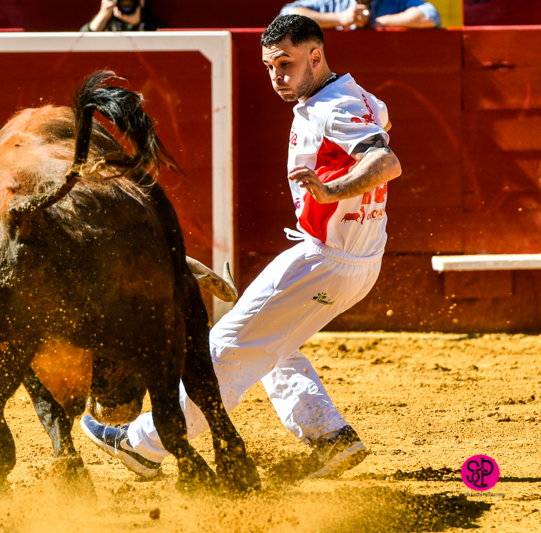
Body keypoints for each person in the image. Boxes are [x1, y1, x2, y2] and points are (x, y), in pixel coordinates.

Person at [81, 13, 402, 480]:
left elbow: (384, 159)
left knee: (227, 346)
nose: (277, 77)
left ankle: (144, 444)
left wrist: (333, 191)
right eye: (270, 66)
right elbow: (378, 122)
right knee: (274, 344)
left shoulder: (336, 107)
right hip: (359, 260)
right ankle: (330, 437)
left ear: (316, 56)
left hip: (322, 259)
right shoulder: (355, 99)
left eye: (286, 64)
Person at [280, 0, 441, 29]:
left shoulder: (394, 1)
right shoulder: (331, 1)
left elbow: (431, 15)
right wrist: (339, 19)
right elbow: (287, 15)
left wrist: (381, 22)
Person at [80, 0, 165, 32]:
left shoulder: (155, 26)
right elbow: (80, 43)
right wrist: (103, 15)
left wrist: (136, 25)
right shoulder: (106, 24)